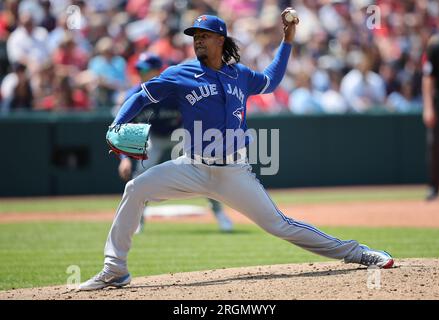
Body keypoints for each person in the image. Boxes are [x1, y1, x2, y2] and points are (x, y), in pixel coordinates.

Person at [79, 9, 394, 291]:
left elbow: (271, 80)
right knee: (135, 188)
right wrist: (118, 124)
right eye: (195, 37)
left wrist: (288, 40)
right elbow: (140, 97)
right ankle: (115, 269)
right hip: (192, 166)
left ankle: (357, 253)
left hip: (234, 171)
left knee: (279, 225)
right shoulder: (180, 74)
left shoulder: (239, 74)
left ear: (220, 39)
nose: (198, 41)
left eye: (204, 36)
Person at [117, 52, 234, 233]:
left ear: (157, 71)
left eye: (145, 69)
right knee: (140, 175)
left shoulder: (173, 92)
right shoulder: (135, 94)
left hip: (181, 134)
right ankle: (137, 220)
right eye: (138, 69)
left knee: (204, 170)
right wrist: (124, 158)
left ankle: (219, 213)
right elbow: (124, 128)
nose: (140, 73)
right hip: (154, 136)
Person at [422, 11, 439, 201]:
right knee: (436, 146)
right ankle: (434, 188)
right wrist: (429, 106)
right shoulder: (436, 45)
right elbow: (428, 78)